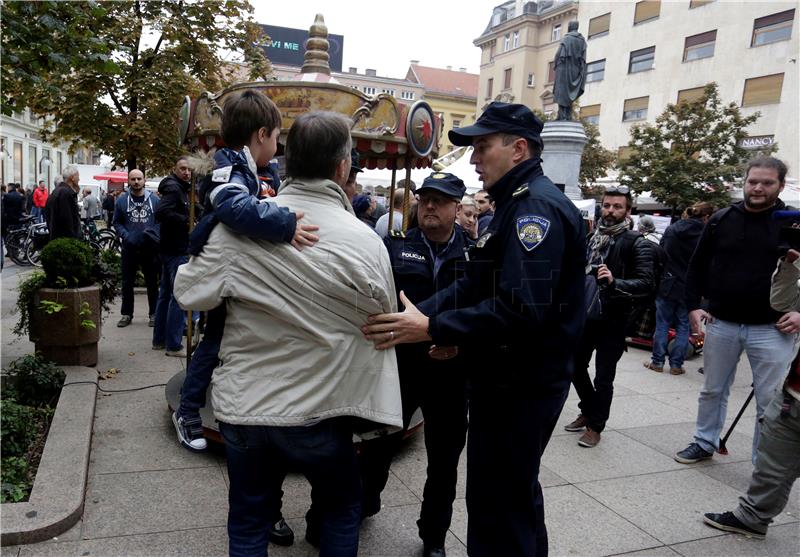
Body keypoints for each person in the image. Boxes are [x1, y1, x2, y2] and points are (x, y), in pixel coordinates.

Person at [362, 102, 587, 556]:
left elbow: (522, 310)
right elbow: (473, 282)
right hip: (503, 379)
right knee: (502, 497)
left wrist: (434, 327)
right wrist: (424, 319)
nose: (476, 159)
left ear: (518, 148)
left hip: (520, 385)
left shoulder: (534, 211)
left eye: (483, 147)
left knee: (501, 503)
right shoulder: (513, 205)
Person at [174, 110, 402, 557]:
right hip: (323, 408)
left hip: (248, 407)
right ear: (343, 167)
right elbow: (384, 318)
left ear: (285, 160)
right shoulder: (366, 241)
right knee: (339, 512)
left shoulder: (238, 228)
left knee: (247, 522)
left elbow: (189, 293)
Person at [361, 172, 472, 557]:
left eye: (439, 200)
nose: (428, 205)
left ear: (457, 208)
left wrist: (458, 344)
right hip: (400, 368)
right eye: (424, 198)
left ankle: (434, 536)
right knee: (379, 444)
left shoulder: (476, 255)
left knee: (444, 461)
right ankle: (365, 502)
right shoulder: (394, 248)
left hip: (451, 373)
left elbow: (487, 316)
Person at [676, 156, 797, 465]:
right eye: (752, 181)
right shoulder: (720, 220)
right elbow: (698, 265)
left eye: (767, 182)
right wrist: (693, 306)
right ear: (744, 182)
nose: (758, 188)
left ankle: (763, 461)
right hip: (722, 322)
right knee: (712, 390)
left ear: (780, 185)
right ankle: (704, 442)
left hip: (772, 328)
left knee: (768, 400)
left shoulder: (794, 223)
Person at [703, 246, 800, 539]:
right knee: (773, 459)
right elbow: (782, 302)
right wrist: (789, 264)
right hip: (794, 393)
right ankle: (752, 517)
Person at [565, 186, 654, 448]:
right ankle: (589, 409)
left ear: (628, 211)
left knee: (604, 377)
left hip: (613, 319)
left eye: (617, 207)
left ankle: (595, 425)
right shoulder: (592, 237)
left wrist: (616, 283)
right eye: (607, 205)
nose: (610, 211)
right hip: (585, 315)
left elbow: (647, 283)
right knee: (574, 367)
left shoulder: (636, 243)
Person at [644, 202, 714, 375]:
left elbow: (661, 253)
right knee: (684, 325)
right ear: (706, 217)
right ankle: (676, 365)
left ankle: (657, 362)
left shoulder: (673, 229)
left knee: (662, 323)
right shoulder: (706, 234)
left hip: (668, 281)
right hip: (690, 285)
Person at [152, 157, 193, 357]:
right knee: (177, 297)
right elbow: (161, 212)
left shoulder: (177, 187)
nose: (187, 172)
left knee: (165, 295)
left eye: (189, 169)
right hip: (176, 250)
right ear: (174, 169)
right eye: (183, 169)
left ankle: (159, 340)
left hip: (169, 249)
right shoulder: (175, 189)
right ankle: (174, 345)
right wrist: (187, 220)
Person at [113, 169, 160, 328]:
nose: (136, 182)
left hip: (149, 248)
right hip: (129, 247)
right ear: (129, 181)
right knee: (127, 283)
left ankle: (154, 314)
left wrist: (154, 234)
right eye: (133, 179)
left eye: (139, 178)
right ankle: (127, 314)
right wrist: (126, 236)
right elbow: (117, 222)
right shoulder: (122, 200)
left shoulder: (154, 200)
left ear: (144, 180)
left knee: (152, 283)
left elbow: (160, 221)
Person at [552, 20, 587, 121]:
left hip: (564, 68)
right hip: (575, 70)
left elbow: (559, 53)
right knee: (570, 93)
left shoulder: (567, 38)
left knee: (561, 92)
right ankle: (567, 115)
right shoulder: (582, 40)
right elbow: (583, 58)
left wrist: (555, 64)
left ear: (570, 27)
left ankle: (561, 115)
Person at [45, 165, 82, 240]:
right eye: (78, 176)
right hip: (65, 241)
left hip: (57, 239)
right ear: (72, 178)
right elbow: (67, 220)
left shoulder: (57, 191)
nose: (79, 179)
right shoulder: (65, 193)